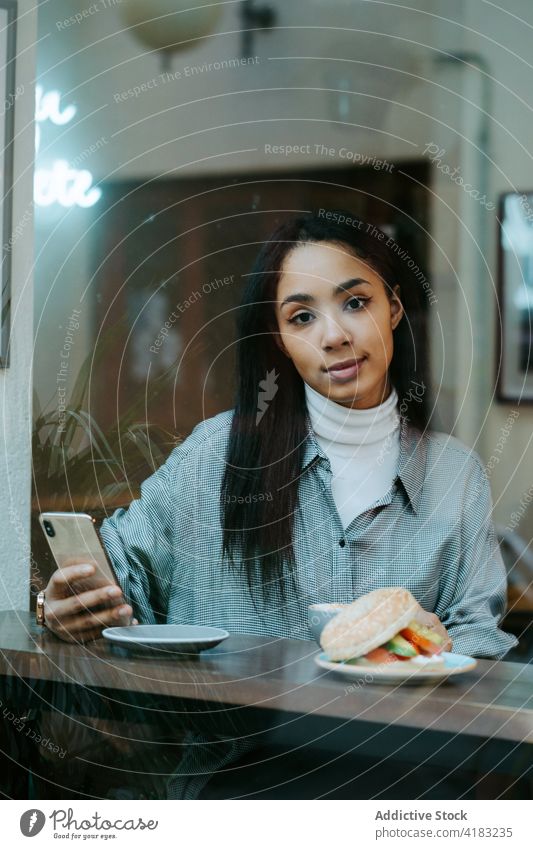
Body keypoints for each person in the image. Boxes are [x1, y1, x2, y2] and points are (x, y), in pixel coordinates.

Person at [41, 211, 518, 798]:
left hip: (399, 779)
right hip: (240, 782)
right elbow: (118, 577)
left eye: (355, 302)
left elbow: (479, 636)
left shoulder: (454, 474)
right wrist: (64, 604)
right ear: (280, 341)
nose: (335, 336)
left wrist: (428, 645)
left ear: (393, 307)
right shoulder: (217, 456)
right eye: (301, 317)